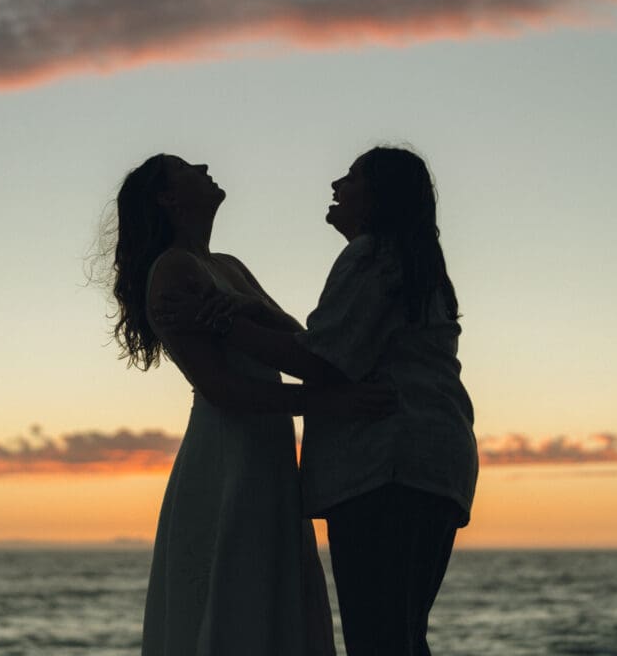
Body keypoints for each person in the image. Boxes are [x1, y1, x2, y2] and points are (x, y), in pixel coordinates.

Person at [164, 146, 478, 656]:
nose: (337, 184)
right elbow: (326, 343)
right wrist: (252, 314)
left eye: (352, 178)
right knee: (402, 634)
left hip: (385, 466)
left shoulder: (373, 254)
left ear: (379, 197)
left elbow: (323, 360)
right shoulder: (413, 263)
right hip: (436, 463)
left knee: (379, 639)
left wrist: (221, 323)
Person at [108, 153, 397, 656]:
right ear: (167, 198)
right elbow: (223, 389)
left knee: (264, 601)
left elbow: (303, 343)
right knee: (236, 601)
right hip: (228, 457)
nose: (200, 165)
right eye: (183, 167)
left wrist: (252, 306)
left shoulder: (226, 266)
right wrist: (332, 402)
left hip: (265, 453)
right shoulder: (173, 269)